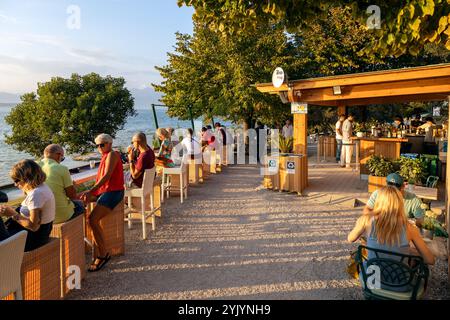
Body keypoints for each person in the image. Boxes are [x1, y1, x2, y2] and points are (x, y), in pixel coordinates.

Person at [348, 186, 435, 291]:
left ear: (379, 201)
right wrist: (409, 252)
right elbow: (430, 260)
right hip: (401, 285)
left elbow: (350, 238)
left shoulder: (366, 220)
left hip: (373, 281)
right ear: (400, 203)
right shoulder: (410, 228)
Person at [80, 134, 124, 272]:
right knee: (80, 200)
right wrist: (90, 193)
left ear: (109, 143)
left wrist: (91, 191)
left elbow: (107, 176)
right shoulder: (105, 155)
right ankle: (90, 246)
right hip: (107, 191)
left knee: (92, 219)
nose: (99, 147)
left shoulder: (112, 154)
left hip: (114, 192)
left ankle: (103, 254)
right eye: (97, 145)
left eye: (102, 144)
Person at [0, 160, 55, 251]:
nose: (15, 184)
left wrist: (12, 214)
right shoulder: (42, 187)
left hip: (32, 239)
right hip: (40, 235)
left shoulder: (36, 194)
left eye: (17, 180)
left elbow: (34, 226)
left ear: (26, 178)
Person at [38, 144, 85, 224]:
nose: (61, 160)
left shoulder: (35, 166)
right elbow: (72, 196)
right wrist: (73, 186)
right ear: (59, 155)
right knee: (80, 204)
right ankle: (79, 233)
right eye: (62, 158)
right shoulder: (62, 168)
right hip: (60, 216)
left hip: (41, 216)